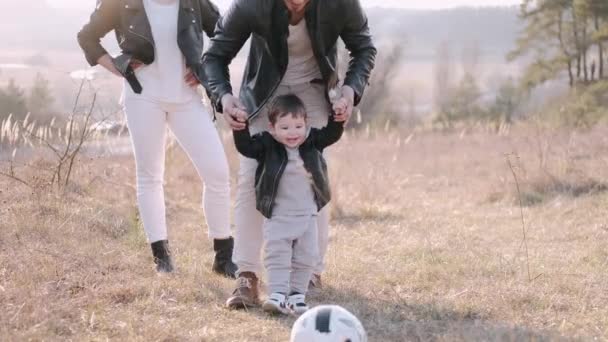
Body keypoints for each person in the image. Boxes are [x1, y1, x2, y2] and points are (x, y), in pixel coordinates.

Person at [202, 0, 376, 308]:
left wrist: (350, 90)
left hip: (313, 92)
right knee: (250, 179)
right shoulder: (250, 5)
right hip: (264, 93)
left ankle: (309, 272)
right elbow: (214, 56)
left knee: (311, 178)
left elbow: (363, 49)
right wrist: (225, 98)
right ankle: (247, 274)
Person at [77, 0, 237, 277]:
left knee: (218, 173)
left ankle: (223, 258)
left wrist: (204, 68)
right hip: (142, 96)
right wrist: (116, 66)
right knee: (150, 176)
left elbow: (225, 33)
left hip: (186, 99)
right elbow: (87, 37)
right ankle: (161, 258)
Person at [233, 94, 344, 315]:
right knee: (277, 256)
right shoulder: (267, 144)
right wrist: (241, 126)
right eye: (284, 127)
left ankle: (297, 296)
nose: (292, 133)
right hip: (278, 217)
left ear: (306, 125)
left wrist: (338, 116)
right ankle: (277, 294)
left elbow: (332, 134)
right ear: (272, 128)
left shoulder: (312, 141)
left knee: (306, 258)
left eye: (298, 126)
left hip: (307, 216)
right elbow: (246, 147)